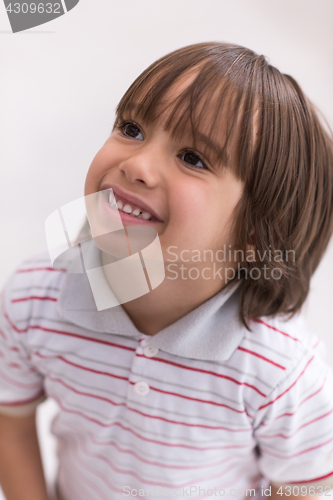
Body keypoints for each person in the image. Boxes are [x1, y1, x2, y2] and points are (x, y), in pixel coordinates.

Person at [0, 42, 333, 500]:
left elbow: (300, 487)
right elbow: (10, 420)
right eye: (131, 128)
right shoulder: (33, 299)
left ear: (257, 230)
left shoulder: (279, 368)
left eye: (193, 158)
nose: (136, 164)